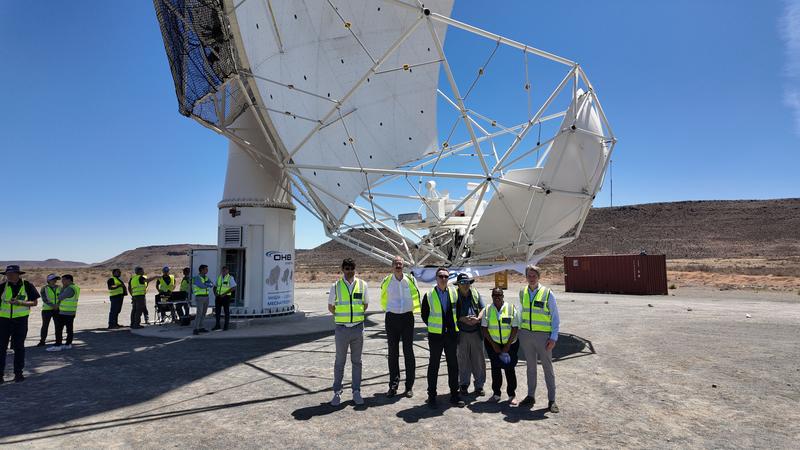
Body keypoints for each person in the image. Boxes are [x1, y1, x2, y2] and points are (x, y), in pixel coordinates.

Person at [517, 264, 560, 412]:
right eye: (529, 275)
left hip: (543, 337)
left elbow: (555, 317)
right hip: (527, 335)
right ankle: (530, 395)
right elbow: (521, 312)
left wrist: (553, 337)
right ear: (526, 277)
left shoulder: (547, 293)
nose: (531, 278)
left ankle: (552, 400)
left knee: (548, 368)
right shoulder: (523, 292)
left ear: (539, 277)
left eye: (534, 275)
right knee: (530, 368)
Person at [421, 267, 463, 408]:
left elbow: (457, 311)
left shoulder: (454, 293)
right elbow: (424, 315)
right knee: (434, 366)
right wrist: (436, 327)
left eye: (446, 276)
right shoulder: (429, 295)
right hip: (436, 336)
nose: (443, 279)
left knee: (453, 365)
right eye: (441, 276)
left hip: (451, 335)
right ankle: (432, 396)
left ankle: (454, 395)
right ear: (436, 278)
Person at [328, 258, 368, 406]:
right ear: (342, 269)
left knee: (357, 362)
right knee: (340, 362)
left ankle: (356, 391)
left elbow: (365, 304)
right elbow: (331, 306)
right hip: (342, 329)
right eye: (347, 268)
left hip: (357, 328)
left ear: (355, 269)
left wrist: (355, 317)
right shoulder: (336, 286)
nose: (349, 270)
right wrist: (342, 318)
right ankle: (337, 392)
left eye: (352, 268)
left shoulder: (363, 285)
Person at [379, 256, 420, 398]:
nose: (398, 265)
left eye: (400, 264)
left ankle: (409, 387)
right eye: (396, 263)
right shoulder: (386, 281)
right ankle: (393, 386)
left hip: (407, 318)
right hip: (391, 318)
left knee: (408, 352)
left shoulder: (411, 280)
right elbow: (383, 298)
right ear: (392, 266)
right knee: (393, 353)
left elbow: (417, 296)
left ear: (403, 266)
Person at [0, 265, 39, 383]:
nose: (9, 276)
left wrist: (20, 302)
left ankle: (18, 373)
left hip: (20, 321)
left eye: (12, 273)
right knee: (1, 348)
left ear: (18, 274)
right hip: (3, 321)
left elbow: (34, 302)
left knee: (19, 348)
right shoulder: (2, 287)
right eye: (7, 274)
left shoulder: (27, 286)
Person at [481, 287, 521, 405]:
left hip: (510, 344)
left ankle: (511, 395)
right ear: (492, 297)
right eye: (494, 295)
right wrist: (494, 345)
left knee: (509, 369)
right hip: (494, 344)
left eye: (499, 295)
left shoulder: (510, 308)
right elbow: (484, 328)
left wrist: (507, 345)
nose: (497, 297)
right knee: (495, 369)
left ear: (503, 296)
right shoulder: (487, 310)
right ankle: (496, 394)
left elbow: (515, 328)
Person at [454, 273, 486, 396]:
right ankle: (463, 384)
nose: (465, 285)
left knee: (478, 360)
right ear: (458, 285)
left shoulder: (475, 293)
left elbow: (483, 308)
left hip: (476, 332)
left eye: (467, 282)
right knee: (463, 360)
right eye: (462, 283)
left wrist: (478, 318)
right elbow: (452, 312)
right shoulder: (454, 296)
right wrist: (463, 319)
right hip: (461, 333)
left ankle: (479, 385)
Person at [47, 274, 80, 352]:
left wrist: (62, 289)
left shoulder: (69, 288)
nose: (62, 281)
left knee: (59, 329)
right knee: (69, 329)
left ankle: (58, 345)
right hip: (71, 312)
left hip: (65, 313)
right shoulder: (76, 287)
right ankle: (68, 344)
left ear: (69, 280)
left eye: (63, 280)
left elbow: (60, 297)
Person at [38, 274, 61, 346]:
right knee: (45, 326)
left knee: (58, 326)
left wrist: (58, 305)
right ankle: (42, 341)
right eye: (53, 279)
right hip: (47, 310)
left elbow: (62, 297)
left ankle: (58, 341)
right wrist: (53, 305)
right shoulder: (44, 288)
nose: (55, 280)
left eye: (56, 279)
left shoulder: (60, 288)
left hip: (57, 309)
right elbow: (44, 299)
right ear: (48, 280)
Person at [213, 266, 236, 331]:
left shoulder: (230, 278)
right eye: (223, 270)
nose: (224, 271)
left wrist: (224, 294)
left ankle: (226, 326)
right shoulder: (219, 277)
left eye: (225, 270)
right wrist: (215, 293)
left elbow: (233, 287)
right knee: (217, 312)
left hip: (226, 297)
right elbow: (214, 286)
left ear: (228, 271)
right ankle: (217, 325)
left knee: (226, 311)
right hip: (218, 297)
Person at [192, 265, 214, 335]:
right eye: (206, 269)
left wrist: (206, 284)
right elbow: (202, 286)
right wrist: (206, 284)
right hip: (199, 297)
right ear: (201, 270)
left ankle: (201, 327)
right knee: (199, 313)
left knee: (203, 313)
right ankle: (196, 328)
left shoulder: (206, 277)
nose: (207, 270)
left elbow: (211, 284)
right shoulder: (197, 278)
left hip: (206, 297)